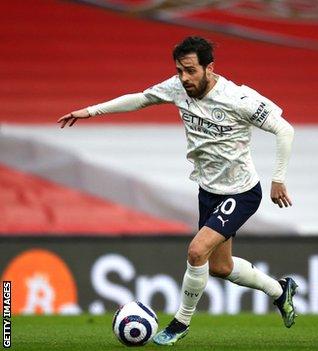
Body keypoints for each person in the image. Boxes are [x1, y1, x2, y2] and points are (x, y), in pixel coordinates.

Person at [58, 36, 298, 346]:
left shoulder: (238, 99)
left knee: (197, 251)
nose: (183, 78)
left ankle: (180, 322)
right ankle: (280, 291)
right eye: (179, 71)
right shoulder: (176, 88)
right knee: (220, 267)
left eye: (190, 71)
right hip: (209, 191)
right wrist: (91, 111)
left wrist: (278, 179)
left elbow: (284, 129)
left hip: (240, 193)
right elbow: (141, 98)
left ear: (209, 68)